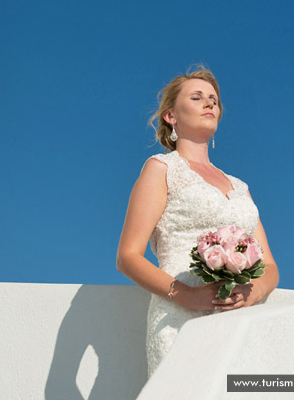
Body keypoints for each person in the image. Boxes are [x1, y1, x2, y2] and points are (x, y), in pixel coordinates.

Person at [115, 67, 279, 378]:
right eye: (197, 97)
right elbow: (127, 257)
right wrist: (188, 295)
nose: (209, 104)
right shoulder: (161, 169)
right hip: (179, 320)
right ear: (171, 117)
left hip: (238, 321)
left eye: (214, 100)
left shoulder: (240, 187)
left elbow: (270, 266)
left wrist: (253, 292)